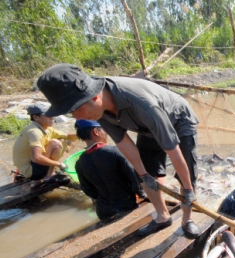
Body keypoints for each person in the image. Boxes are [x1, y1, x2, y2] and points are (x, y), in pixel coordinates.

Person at [36, 64, 200, 238]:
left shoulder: (144, 105)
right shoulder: (99, 111)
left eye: (77, 110)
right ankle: (162, 216)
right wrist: (144, 175)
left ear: (94, 97)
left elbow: (173, 152)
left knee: (187, 173)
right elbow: (123, 143)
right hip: (146, 126)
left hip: (178, 118)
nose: (78, 117)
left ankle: (187, 220)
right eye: (72, 113)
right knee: (144, 170)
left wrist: (188, 189)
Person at [74, 119, 146, 221]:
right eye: (104, 129)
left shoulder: (80, 162)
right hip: (126, 206)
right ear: (96, 131)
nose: (106, 133)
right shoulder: (116, 152)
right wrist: (142, 194)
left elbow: (88, 190)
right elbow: (134, 178)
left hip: (103, 212)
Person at [12, 102, 78, 181]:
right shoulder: (34, 132)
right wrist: (59, 164)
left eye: (51, 114)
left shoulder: (46, 128)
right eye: (48, 115)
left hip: (33, 166)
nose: (52, 117)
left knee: (62, 140)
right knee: (55, 143)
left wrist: (86, 133)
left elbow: (67, 136)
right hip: (32, 172)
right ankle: (49, 175)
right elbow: (36, 158)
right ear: (36, 117)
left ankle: (49, 171)